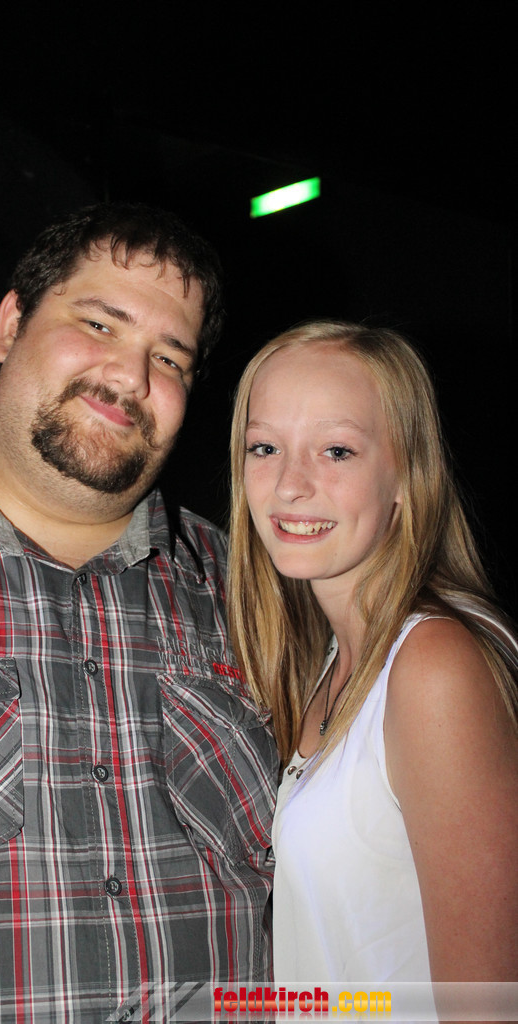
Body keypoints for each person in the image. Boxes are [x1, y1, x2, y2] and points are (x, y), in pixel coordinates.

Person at [0, 203, 277, 1023]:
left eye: (169, 358)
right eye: (99, 324)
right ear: (11, 325)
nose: (130, 377)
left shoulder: (250, 587)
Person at [228, 320, 518, 990]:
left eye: (336, 451)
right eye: (265, 446)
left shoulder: (432, 666)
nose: (289, 485)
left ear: (406, 474)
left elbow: (486, 1003)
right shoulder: (330, 662)